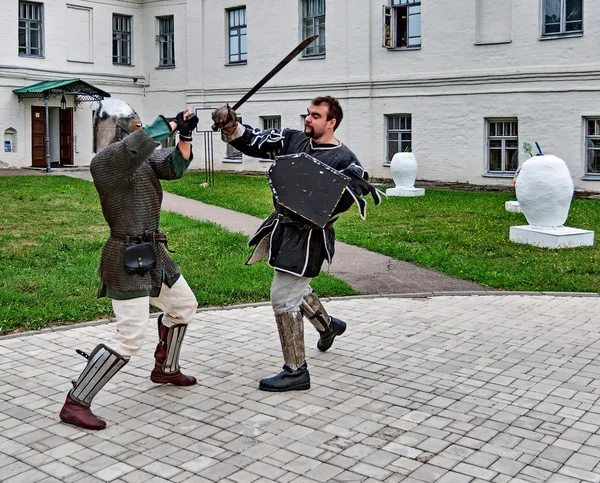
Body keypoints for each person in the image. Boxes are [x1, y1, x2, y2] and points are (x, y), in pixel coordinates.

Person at [212, 96, 382, 392]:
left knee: (283, 297)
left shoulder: (345, 160)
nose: (308, 119)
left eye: (315, 116)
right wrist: (231, 125)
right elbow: (255, 140)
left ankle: (296, 371)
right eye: (308, 114)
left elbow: (349, 196)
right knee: (295, 288)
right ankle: (329, 327)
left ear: (331, 122)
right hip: (283, 229)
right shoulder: (293, 140)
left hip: (310, 238)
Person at [59, 101, 200, 430]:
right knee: (130, 336)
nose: (140, 132)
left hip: (154, 251)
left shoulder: (145, 158)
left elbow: (175, 167)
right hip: (125, 256)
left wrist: (186, 136)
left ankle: (166, 369)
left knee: (183, 306)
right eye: (134, 126)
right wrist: (169, 123)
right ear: (117, 129)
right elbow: (135, 148)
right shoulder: (105, 163)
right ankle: (76, 402)